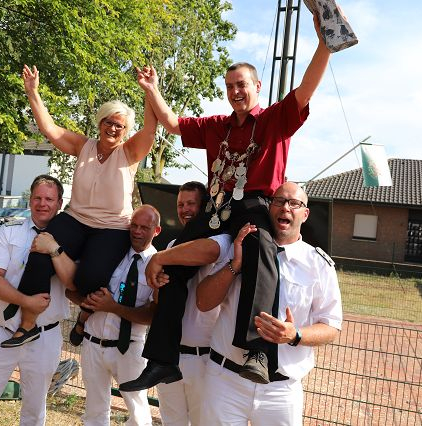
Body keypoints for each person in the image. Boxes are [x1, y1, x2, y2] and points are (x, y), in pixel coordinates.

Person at [121, 3, 355, 391]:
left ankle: (258, 351)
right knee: (173, 259)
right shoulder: (217, 125)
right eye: (229, 86)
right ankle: (162, 359)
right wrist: (151, 89)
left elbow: (305, 89)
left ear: (257, 87)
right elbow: (173, 124)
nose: (235, 92)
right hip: (216, 206)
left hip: (255, 204)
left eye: (242, 85)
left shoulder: (274, 119)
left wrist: (323, 45)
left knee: (262, 251)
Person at [0, 65, 157, 348]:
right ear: (100, 122)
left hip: (111, 227)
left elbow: (150, 129)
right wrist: (32, 92)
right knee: (38, 251)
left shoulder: (129, 152)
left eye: (119, 126)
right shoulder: (84, 146)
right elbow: (49, 129)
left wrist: (149, 90)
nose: (113, 128)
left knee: (88, 281)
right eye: (108, 122)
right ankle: (28, 323)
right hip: (75, 219)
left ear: (125, 131)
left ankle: (83, 316)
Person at [196, 181, 342, 424]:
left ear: (305, 214)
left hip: (281, 391)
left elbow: (331, 327)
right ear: (270, 207)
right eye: (279, 201)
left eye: (294, 203)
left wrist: (295, 335)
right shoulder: (240, 245)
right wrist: (236, 265)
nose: (285, 207)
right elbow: (203, 302)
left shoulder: (318, 265)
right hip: (225, 381)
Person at [0, 175, 71, 425]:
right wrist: (26, 302)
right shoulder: (9, 231)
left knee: (34, 411)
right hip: (3, 331)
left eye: (49, 199)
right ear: (30, 200)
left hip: (45, 336)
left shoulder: (69, 241)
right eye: (37, 198)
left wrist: (55, 250)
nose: (42, 204)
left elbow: (73, 282)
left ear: (59, 203)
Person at [39, 205, 162, 425]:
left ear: (157, 231)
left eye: (145, 227)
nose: (137, 231)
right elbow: (72, 289)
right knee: (94, 412)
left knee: (138, 413)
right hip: (93, 344)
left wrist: (113, 307)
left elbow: (153, 316)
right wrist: (90, 301)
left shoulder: (158, 265)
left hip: (129, 347)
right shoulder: (110, 252)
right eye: (134, 225)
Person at [156, 182, 229, 425]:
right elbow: (159, 301)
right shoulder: (171, 246)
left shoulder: (220, 244)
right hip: (171, 355)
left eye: (191, 204)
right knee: (171, 421)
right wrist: (158, 284)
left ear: (204, 206)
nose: (185, 209)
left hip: (204, 359)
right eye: (180, 204)